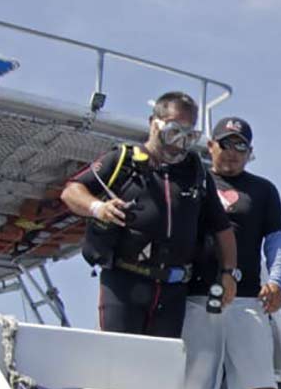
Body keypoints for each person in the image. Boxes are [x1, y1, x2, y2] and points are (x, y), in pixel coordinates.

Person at [61, 92, 237, 338]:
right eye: (174, 131)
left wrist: (229, 273)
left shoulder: (196, 174)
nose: (179, 143)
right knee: (119, 358)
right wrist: (98, 208)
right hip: (123, 282)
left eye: (188, 136)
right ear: (154, 124)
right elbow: (72, 191)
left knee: (162, 364)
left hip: (173, 290)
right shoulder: (123, 160)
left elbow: (222, 228)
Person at [182, 116, 281, 389]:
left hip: (247, 297)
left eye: (240, 146)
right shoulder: (192, 180)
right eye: (224, 144)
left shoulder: (263, 190)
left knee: (260, 378)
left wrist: (276, 280)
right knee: (197, 382)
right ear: (210, 146)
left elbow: (277, 240)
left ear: (250, 152)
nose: (231, 153)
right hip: (197, 296)